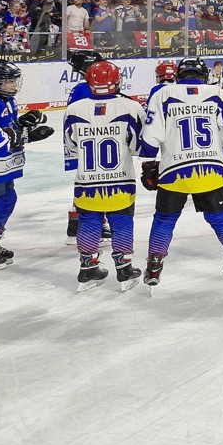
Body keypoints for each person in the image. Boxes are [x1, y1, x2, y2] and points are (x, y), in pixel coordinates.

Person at [140, 56, 223, 288]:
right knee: (220, 216)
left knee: (164, 219)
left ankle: (154, 268)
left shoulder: (162, 94)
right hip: (211, 169)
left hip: (173, 170)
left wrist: (149, 164)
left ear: (180, 74)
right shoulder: (218, 94)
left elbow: (151, 134)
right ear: (204, 75)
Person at [63, 61, 145, 291]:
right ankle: (124, 269)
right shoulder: (131, 107)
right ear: (117, 81)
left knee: (89, 222)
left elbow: (71, 150)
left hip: (86, 181)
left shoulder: (73, 110)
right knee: (121, 221)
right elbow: (139, 148)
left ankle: (88, 269)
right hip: (121, 180)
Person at [0, 62, 53, 270]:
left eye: (14, 81)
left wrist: (23, 124)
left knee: (8, 198)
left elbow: (8, 129)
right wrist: (27, 136)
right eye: (6, 82)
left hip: (4, 165)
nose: (12, 85)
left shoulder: (7, 100)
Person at [63, 49, 105, 243]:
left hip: (86, 142)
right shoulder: (84, 88)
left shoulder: (82, 87)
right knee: (97, 182)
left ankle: (76, 222)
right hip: (91, 142)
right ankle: (85, 222)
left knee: (87, 181)